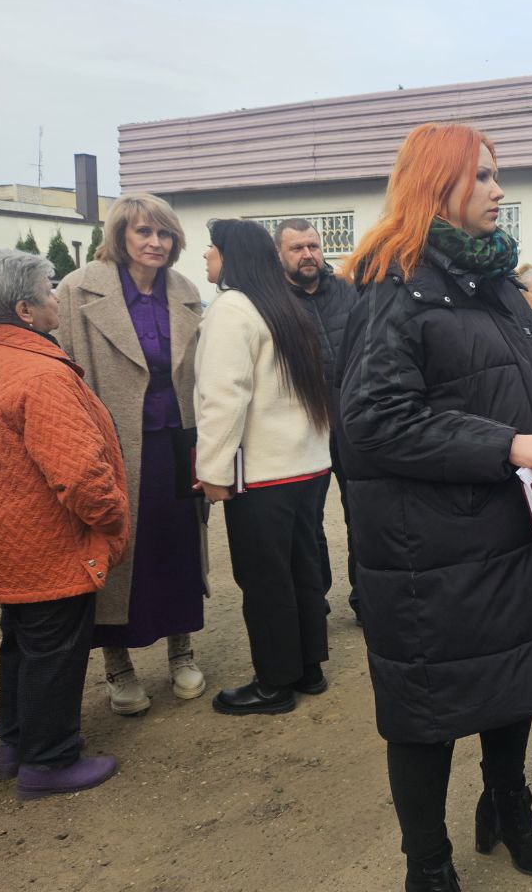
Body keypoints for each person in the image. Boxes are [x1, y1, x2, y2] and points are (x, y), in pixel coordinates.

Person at [336, 123, 532, 892]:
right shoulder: (393, 283)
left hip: (504, 531)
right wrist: (506, 447)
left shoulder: (493, 284)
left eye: (496, 175)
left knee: (509, 682)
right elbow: (373, 421)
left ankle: (507, 809)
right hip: (428, 551)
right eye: (482, 176)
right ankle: (428, 862)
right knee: (427, 711)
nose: (498, 190)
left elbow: (520, 396)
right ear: (437, 184)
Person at [54, 193, 207, 716]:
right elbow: (63, 374)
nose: (156, 243)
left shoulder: (186, 291)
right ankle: (118, 668)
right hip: (112, 447)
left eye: (164, 234)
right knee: (120, 554)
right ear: (120, 235)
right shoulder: (78, 289)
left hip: (175, 443)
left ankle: (182, 652)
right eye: (144, 232)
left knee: (178, 547)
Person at [0, 248, 129, 799]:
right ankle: (48, 762)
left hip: (7, 542)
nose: (57, 299)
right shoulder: (42, 376)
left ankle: (15, 742)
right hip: (48, 545)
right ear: (25, 310)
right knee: (54, 650)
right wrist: (114, 514)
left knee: (19, 644)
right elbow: (80, 475)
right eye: (50, 290)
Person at [195, 219, 332, 716]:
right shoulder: (283, 305)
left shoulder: (232, 308)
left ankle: (274, 684)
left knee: (264, 579)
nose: (205, 257)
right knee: (302, 568)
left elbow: (223, 397)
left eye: (211, 249)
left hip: (264, 472)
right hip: (305, 466)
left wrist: (212, 469)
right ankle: (308, 667)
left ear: (233, 257)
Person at [275, 218, 360, 621]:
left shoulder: (348, 291)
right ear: (280, 254)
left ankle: (367, 597)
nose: (308, 254)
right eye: (297, 248)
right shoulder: (274, 301)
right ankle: (316, 599)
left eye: (313, 245)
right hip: (304, 419)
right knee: (308, 520)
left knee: (361, 508)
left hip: (355, 416)